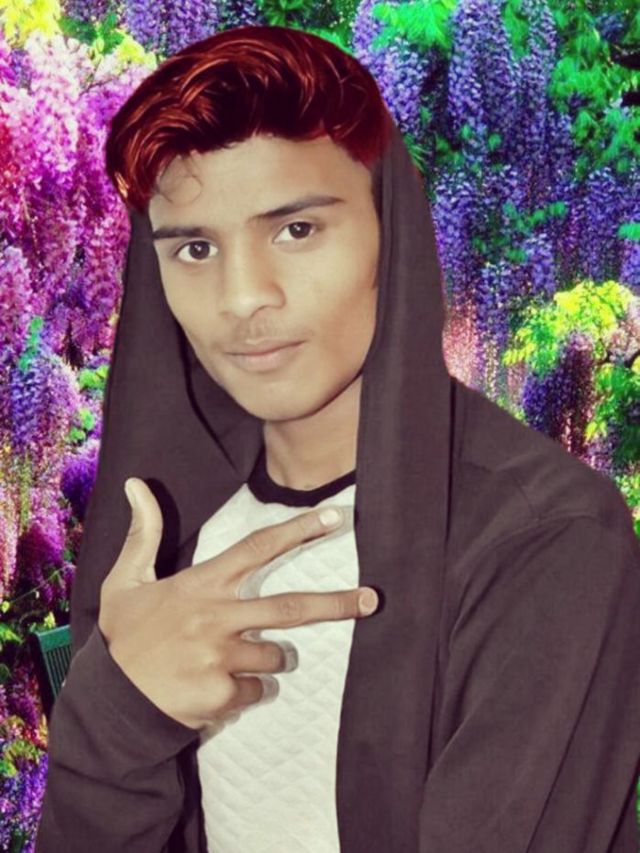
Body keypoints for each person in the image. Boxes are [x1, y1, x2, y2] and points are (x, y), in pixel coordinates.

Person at [35, 24, 640, 853]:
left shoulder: (545, 538)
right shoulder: (168, 537)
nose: (244, 297)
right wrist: (120, 713)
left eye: (296, 230)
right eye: (196, 248)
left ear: (391, 234)